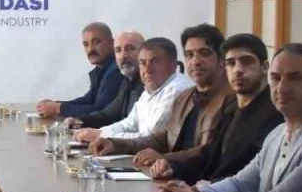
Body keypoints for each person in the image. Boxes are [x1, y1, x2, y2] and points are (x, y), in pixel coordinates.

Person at [159, 43, 302, 192]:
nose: (282, 88)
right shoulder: (278, 132)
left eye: (295, 78)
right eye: (276, 78)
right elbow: (241, 184)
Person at [145, 33, 282, 183]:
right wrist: (171, 167)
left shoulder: (275, 114)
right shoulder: (231, 111)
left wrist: (208, 189)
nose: (238, 69)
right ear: (224, 67)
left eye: (246, 62)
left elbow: (253, 177)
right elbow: (208, 156)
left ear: (265, 67)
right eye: (231, 63)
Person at [91, 24, 232, 162]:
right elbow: (160, 139)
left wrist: (166, 159)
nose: (195, 61)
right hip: (172, 172)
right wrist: (114, 144)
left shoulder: (231, 101)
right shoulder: (186, 97)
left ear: (222, 59)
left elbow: (209, 153)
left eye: (204, 53)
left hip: (194, 176)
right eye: (189, 55)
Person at [82, 37, 194, 143]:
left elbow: (149, 138)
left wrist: (102, 135)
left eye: (155, 62)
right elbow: (128, 124)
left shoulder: (176, 91)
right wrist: (98, 132)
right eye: (142, 63)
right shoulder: (150, 90)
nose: (147, 69)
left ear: (173, 66)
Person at [36, 22, 122, 119]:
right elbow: (89, 100)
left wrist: (58, 108)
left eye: (97, 42)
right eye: (86, 44)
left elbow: (100, 111)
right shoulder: (100, 69)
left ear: (112, 43)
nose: (91, 49)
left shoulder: (116, 71)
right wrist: (55, 105)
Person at [69, 31, 145, 132]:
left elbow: (136, 130)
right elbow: (108, 114)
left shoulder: (149, 84)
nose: (123, 55)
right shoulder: (127, 82)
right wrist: (79, 121)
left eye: (130, 49)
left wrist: (100, 135)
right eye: (118, 50)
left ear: (144, 53)